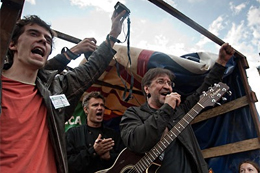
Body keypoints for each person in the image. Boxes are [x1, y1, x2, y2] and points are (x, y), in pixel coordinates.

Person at [0, 8, 127, 173]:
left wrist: (113, 34)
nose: (43, 41)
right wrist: (72, 52)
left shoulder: (55, 89)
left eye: (47, 39)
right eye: (33, 34)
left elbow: (90, 69)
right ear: (12, 44)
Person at [120, 43, 235, 173]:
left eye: (169, 83)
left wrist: (221, 62)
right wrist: (167, 108)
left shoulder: (180, 111)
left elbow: (204, 91)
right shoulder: (133, 113)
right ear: (147, 89)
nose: (167, 87)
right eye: (160, 81)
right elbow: (137, 142)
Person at [65, 91, 125, 173]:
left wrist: (109, 157)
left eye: (102, 105)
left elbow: (124, 161)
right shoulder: (73, 134)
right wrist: (93, 151)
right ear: (86, 110)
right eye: (95, 105)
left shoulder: (113, 135)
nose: (100, 108)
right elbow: (69, 164)